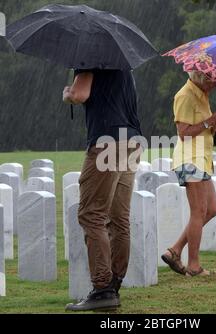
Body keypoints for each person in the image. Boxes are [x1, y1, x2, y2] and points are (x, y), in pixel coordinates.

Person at [62, 68, 142, 311]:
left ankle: (102, 287)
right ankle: (114, 283)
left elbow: (80, 94)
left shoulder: (90, 59)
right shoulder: (123, 64)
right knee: (119, 218)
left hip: (107, 140)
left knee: (91, 214)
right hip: (131, 139)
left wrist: (68, 93)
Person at [161, 71, 216, 277]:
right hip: (190, 160)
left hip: (203, 159)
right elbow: (184, 133)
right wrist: (210, 121)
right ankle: (194, 266)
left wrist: (215, 126)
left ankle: (175, 250)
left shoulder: (202, 95)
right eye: (214, 80)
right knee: (198, 211)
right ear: (202, 77)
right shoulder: (185, 95)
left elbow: (204, 129)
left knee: (212, 208)